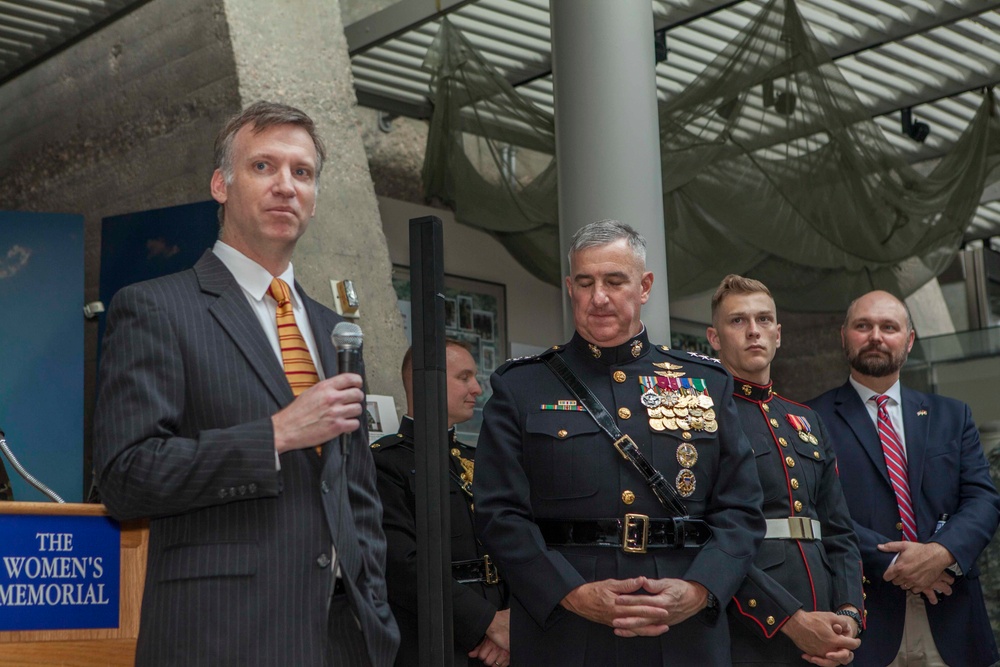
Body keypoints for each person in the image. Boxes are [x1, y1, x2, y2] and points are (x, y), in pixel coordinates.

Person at [93, 101, 399, 667]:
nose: (286, 185)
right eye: (264, 167)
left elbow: (359, 494)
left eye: (301, 172)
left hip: (343, 639)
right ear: (220, 185)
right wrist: (274, 435)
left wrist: (374, 614)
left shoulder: (337, 333)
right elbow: (125, 478)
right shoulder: (156, 308)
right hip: (223, 637)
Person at [473, 219, 765, 666]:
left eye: (614, 281)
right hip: (567, 630)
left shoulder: (706, 382)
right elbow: (499, 512)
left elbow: (742, 508)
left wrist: (701, 588)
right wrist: (568, 592)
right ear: (570, 287)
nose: (599, 298)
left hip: (683, 627)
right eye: (586, 283)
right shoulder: (522, 386)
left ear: (644, 286)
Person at [808, 290, 1000, 667]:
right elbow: (819, 512)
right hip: (865, 620)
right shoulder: (808, 421)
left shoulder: (952, 415)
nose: (875, 336)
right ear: (843, 335)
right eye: (863, 326)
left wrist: (940, 554)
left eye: (889, 327)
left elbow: (983, 500)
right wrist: (900, 566)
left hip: (954, 618)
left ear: (909, 340)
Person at [705, 275, 863, 666]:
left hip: (828, 617)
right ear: (714, 337)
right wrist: (789, 619)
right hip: (751, 625)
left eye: (763, 320)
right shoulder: (703, 419)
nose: (753, 331)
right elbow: (707, 538)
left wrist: (848, 613)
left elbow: (839, 530)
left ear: (779, 333)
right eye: (738, 321)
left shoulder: (805, 419)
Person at [372, 340, 509, 667]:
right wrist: (487, 622)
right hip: (434, 640)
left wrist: (512, 622)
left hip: (503, 639)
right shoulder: (384, 465)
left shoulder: (480, 460)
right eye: (464, 377)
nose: (477, 388)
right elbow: (401, 565)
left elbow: (513, 539)